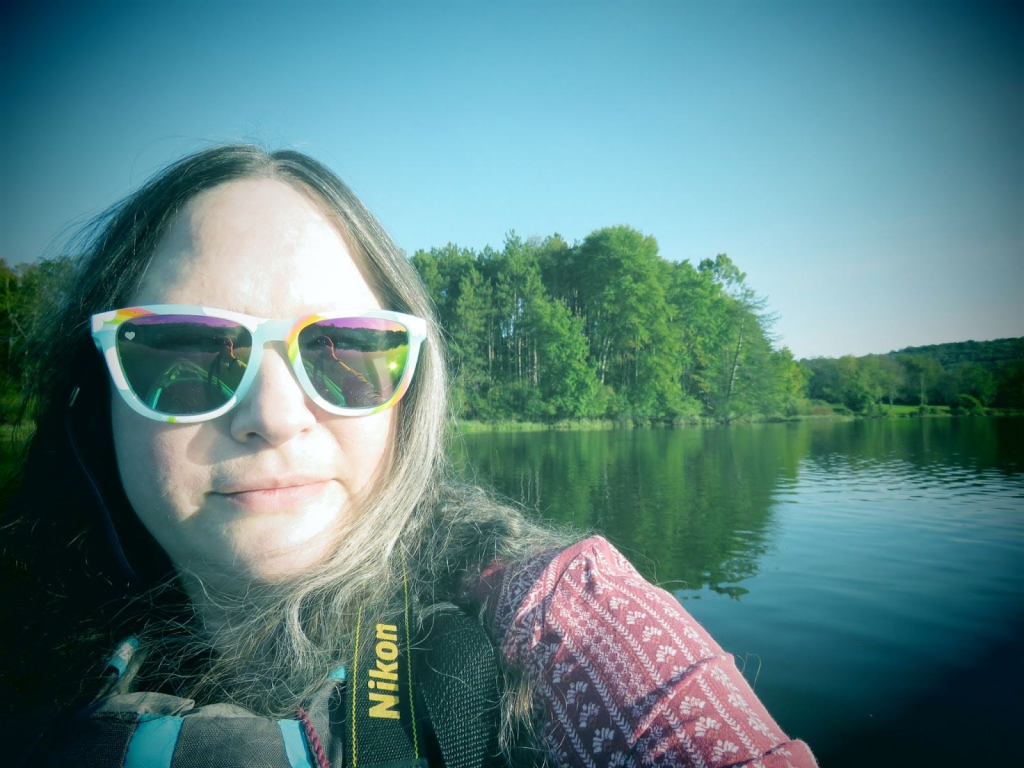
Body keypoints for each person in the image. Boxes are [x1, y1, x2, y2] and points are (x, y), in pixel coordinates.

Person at [0, 145, 818, 767]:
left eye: (347, 351)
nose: (277, 417)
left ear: (408, 393)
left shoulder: (560, 612)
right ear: (92, 395)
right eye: (184, 352)